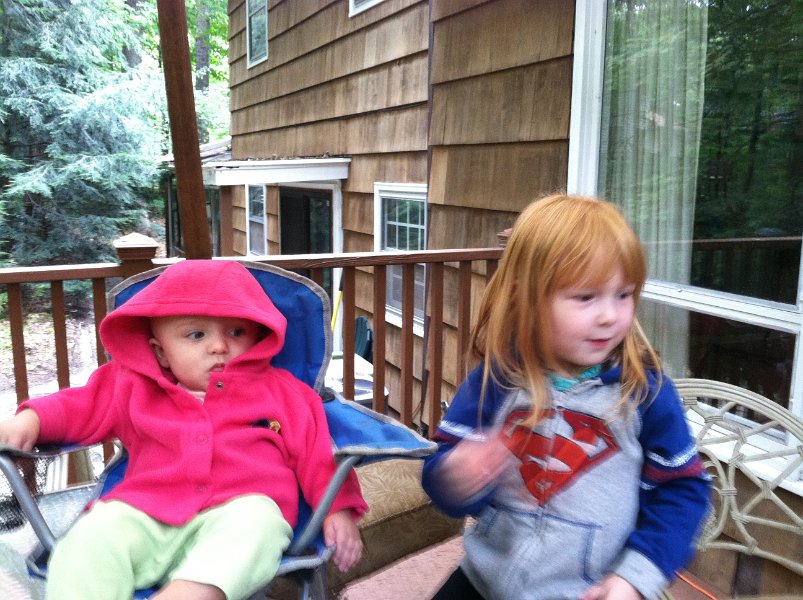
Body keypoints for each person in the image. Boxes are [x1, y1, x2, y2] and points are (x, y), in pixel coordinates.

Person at [0, 259, 368, 600]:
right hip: (144, 511)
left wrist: (337, 508)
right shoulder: (132, 385)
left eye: (236, 331)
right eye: (196, 335)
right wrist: (30, 421)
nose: (219, 346)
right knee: (90, 537)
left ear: (258, 335)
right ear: (161, 352)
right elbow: (78, 406)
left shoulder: (282, 391)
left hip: (238, 511)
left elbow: (317, 452)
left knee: (260, 524)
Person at [421, 194, 711, 600]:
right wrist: (455, 475)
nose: (609, 316)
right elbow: (442, 477)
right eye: (585, 297)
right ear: (527, 298)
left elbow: (684, 492)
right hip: (482, 581)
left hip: (588, 591)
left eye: (624, 294)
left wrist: (636, 576)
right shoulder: (496, 381)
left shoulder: (644, 393)